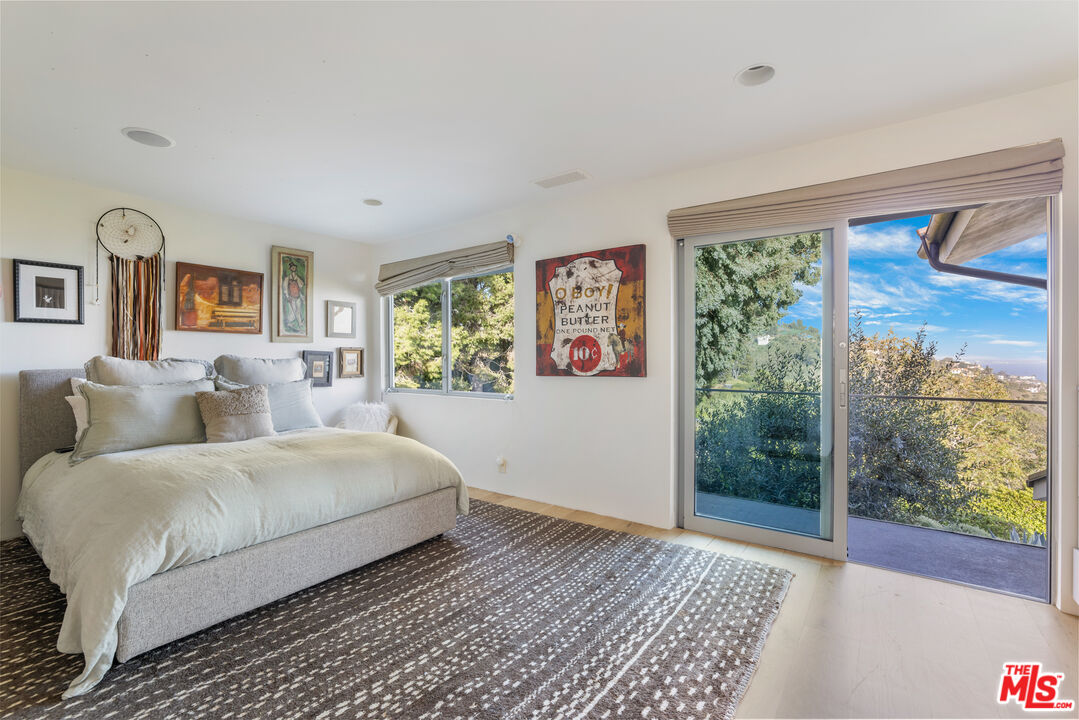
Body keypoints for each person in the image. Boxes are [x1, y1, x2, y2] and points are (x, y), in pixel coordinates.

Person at [283, 260, 306, 334]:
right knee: (292, 311)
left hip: (297, 296)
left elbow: (301, 285)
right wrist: (287, 296)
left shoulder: (297, 277)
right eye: (292, 267)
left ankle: (300, 323)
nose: (294, 268)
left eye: (294, 267)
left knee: (298, 310)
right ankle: (289, 323)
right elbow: (285, 288)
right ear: (290, 269)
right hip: (291, 297)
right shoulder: (287, 278)